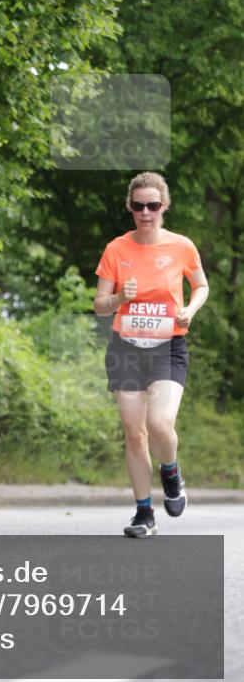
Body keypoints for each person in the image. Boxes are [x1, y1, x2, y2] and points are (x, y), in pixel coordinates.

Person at [94, 172, 209, 538]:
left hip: (167, 347)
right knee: (134, 433)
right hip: (126, 348)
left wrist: (189, 310)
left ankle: (170, 471)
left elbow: (201, 285)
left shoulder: (181, 246)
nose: (146, 212)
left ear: (164, 206)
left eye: (153, 205)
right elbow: (99, 305)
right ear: (130, 207)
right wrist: (119, 298)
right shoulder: (116, 249)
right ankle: (144, 514)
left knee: (159, 424)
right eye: (139, 206)